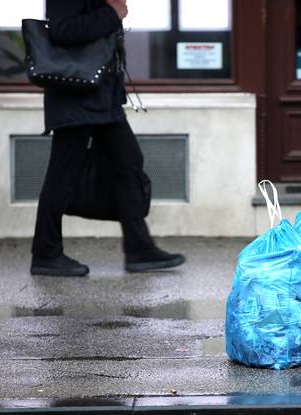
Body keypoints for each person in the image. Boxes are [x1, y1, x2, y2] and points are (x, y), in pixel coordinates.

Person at [30, 0, 185, 277]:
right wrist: (111, 12)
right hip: (75, 93)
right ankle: (46, 253)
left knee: (128, 162)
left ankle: (139, 248)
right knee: (62, 174)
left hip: (101, 97)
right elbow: (63, 30)